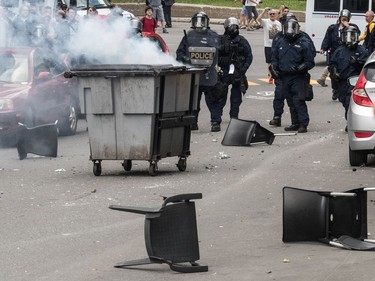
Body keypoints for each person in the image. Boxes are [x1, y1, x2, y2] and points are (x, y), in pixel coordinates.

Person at [176, 12, 221, 131]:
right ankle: (193, 122)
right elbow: (179, 53)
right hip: (193, 74)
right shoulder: (189, 36)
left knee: (213, 101)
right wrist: (187, 60)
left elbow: (222, 53)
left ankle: (215, 122)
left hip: (209, 74)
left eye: (202, 21)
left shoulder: (213, 35)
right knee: (193, 101)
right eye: (197, 21)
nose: (199, 24)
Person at [270, 17, 315, 133]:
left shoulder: (304, 42)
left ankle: (303, 124)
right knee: (290, 101)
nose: (290, 32)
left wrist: (302, 67)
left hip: (298, 76)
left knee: (299, 100)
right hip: (284, 76)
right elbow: (274, 57)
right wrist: (274, 68)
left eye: (292, 29)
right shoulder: (280, 40)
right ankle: (295, 123)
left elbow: (310, 61)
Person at [328, 26, 368, 127]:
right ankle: (349, 121)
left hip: (355, 82)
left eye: (352, 36)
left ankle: (351, 124)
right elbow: (332, 63)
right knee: (344, 101)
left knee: (351, 102)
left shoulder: (362, 50)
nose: (350, 39)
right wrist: (334, 72)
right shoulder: (340, 50)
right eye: (347, 36)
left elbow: (366, 66)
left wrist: (357, 63)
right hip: (342, 81)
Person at [317, 9, 360, 100]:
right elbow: (327, 38)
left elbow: (357, 35)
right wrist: (323, 48)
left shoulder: (353, 27)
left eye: (346, 18)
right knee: (333, 72)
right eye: (342, 18)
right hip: (335, 52)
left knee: (345, 72)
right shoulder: (332, 28)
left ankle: (345, 90)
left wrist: (347, 27)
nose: (344, 19)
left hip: (346, 52)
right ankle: (335, 90)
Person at [217, 17, 253, 125]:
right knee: (220, 94)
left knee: (236, 97)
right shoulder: (220, 40)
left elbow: (249, 56)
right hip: (224, 71)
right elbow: (214, 55)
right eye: (231, 26)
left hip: (238, 71)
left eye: (235, 26)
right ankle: (217, 116)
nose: (233, 28)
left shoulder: (242, 40)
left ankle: (234, 116)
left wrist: (244, 68)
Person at [259, 8, 282, 84]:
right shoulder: (266, 22)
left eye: (273, 14)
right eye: (270, 14)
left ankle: (276, 74)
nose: (272, 15)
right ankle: (271, 76)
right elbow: (258, 19)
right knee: (269, 62)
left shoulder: (278, 23)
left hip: (277, 45)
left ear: (276, 15)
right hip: (268, 45)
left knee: (277, 60)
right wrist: (263, 11)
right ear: (268, 15)